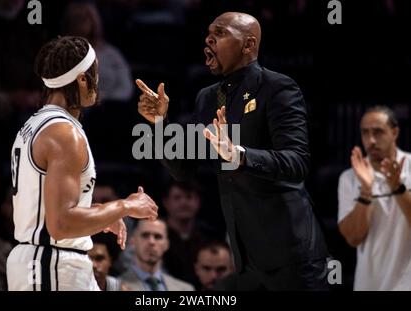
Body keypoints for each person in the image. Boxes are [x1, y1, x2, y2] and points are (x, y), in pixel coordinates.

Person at [136, 12, 328, 290]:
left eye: (221, 33)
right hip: (245, 260)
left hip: (292, 256)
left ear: (248, 45)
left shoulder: (277, 88)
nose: (208, 39)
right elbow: (182, 169)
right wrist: (158, 123)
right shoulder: (207, 97)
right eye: (208, 32)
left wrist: (238, 154)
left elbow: (297, 161)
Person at [6, 36, 158, 291]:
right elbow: (62, 223)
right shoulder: (63, 133)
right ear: (82, 79)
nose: (98, 83)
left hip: (49, 262)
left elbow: (45, 209)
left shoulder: (36, 124)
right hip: (51, 265)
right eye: (95, 73)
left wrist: (99, 214)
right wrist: (125, 205)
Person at [338, 106, 411, 291]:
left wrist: (398, 188)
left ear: (394, 132)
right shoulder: (349, 177)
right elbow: (353, 238)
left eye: (378, 132)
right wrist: (366, 191)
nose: (371, 140)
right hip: (368, 285)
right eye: (365, 133)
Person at [119, 219, 194, 291]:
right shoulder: (116, 287)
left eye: (158, 237)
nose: (151, 242)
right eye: (145, 235)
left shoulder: (186, 289)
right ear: (132, 241)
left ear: (166, 244)